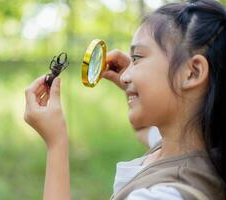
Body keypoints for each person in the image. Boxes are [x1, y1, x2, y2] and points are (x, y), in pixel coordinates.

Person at [24, 0, 226, 199]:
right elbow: (145, 131)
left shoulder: (164, 195)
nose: (125, 75)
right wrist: (136, 89)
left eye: (137, 58)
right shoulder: (197, 149)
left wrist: (56, 144)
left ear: (192, 72)